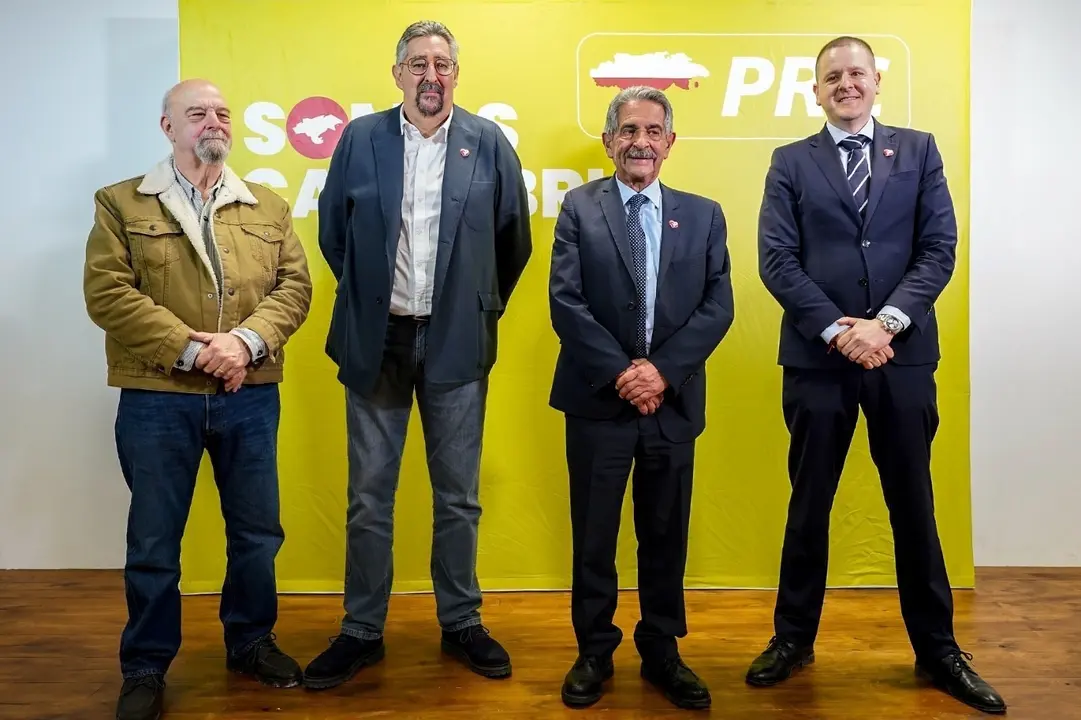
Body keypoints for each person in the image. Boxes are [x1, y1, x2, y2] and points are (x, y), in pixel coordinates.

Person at [750, 36, 1007, 715]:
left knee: (913, 506)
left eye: (856, 72)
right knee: (809, 505)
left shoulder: (918, 151)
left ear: (875, 80)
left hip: (902, 357)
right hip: (818, 360)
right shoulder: (789, 162)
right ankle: (792, 639)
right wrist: (839, 330)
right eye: (831, 76)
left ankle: (938, 650)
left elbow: (938, 248)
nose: (845, 83)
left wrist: (884, 324)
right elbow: (776, 260)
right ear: (815, 90)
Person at [304, 20, 532, 689]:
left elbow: (512, 241)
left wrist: (475, 303)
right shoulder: (360, 139)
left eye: (442, 64)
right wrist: (374, 296)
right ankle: (361, 629)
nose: (431, 75)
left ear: (455, 74)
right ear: (398, 73)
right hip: (378, 339)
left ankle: (461, 620)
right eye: (418, 63)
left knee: (458, 496)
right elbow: (334, 234)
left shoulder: (488, 142)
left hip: (457, 338)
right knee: (368, 497)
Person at [82, 79, 313, 720]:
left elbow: (295, 287)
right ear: (168, 127)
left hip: (250, 394)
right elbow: (108, 294)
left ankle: (251, 642)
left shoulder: (267, 205)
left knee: (257, 533)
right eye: (197, 113)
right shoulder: (121, 203)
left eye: (222, 113)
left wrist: (244, 344)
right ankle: (146, 666)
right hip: (159, 396)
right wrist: (194, 351)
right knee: (154, 541)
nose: (213, 122)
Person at [548, 85, 735, 710]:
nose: (641, 142)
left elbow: (717, 306)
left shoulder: (704, 215)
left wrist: (662, 373)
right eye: (629, 130)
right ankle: (593, 651)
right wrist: (623, 373)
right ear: (609, 141)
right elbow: (566, 302)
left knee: (664, 534)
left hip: (671, 403)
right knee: (594, 536)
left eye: (654, 131)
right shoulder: (579, 208)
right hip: (598, 401)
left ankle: (662, 649)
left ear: (670, 143)